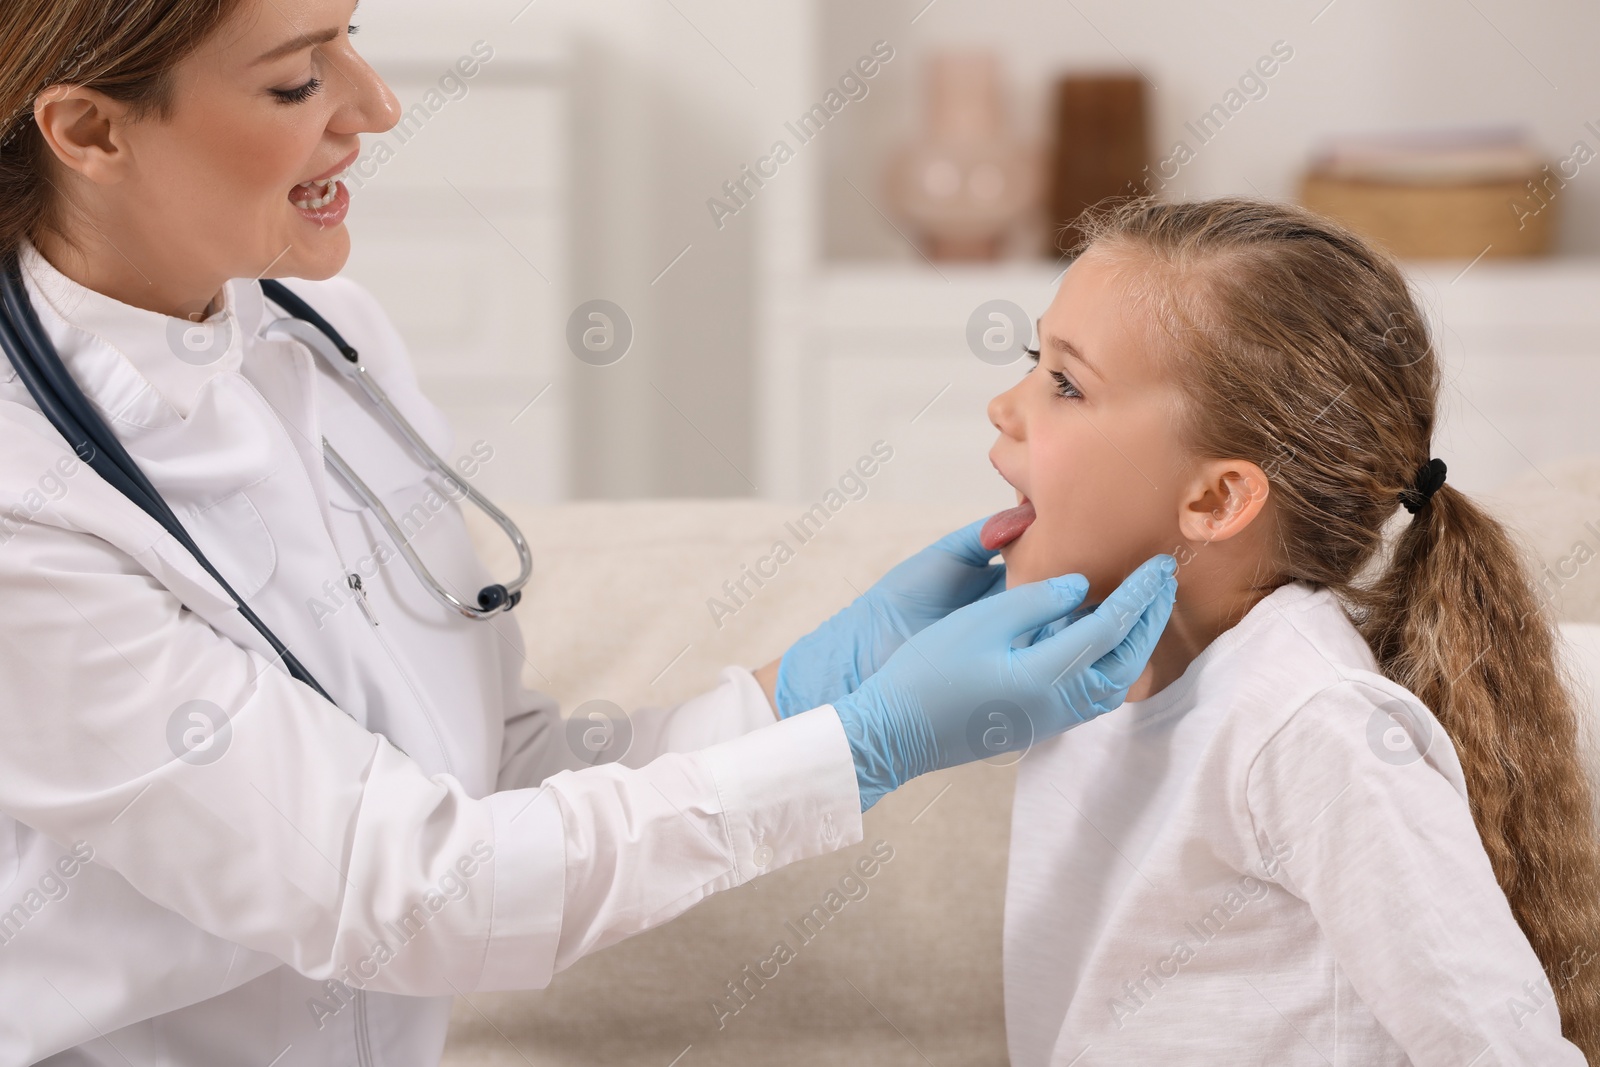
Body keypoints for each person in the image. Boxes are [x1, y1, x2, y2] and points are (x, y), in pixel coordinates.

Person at [0, 2, 1178, 1064]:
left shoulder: (328, 339)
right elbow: (410, 891)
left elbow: (498, 778)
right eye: (298, 81)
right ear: (91, 131)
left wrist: (815, 689)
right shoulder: (26, 514)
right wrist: (860, 748)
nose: (375, 106)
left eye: (352, 37)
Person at [972, 195, 1600, 1064]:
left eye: (1068, 383)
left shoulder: (1309, 725)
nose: (1005, 406)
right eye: (1035, 360)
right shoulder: (1085, 683)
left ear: (1216, 498)